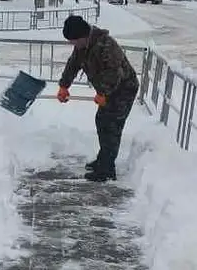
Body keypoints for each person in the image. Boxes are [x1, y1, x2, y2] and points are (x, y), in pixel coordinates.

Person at [56, 15, 139, 182]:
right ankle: (104, 160)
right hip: (108, 89)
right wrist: (64, 86)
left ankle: (107, 170)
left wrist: (103, 93)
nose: (72, 44)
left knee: (111, 126)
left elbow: (114, 73)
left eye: (73, 41)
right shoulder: (82, 46)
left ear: (83, 36)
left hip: (124, 89)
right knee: (102, 121)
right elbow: (73, 64)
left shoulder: (106, 45)